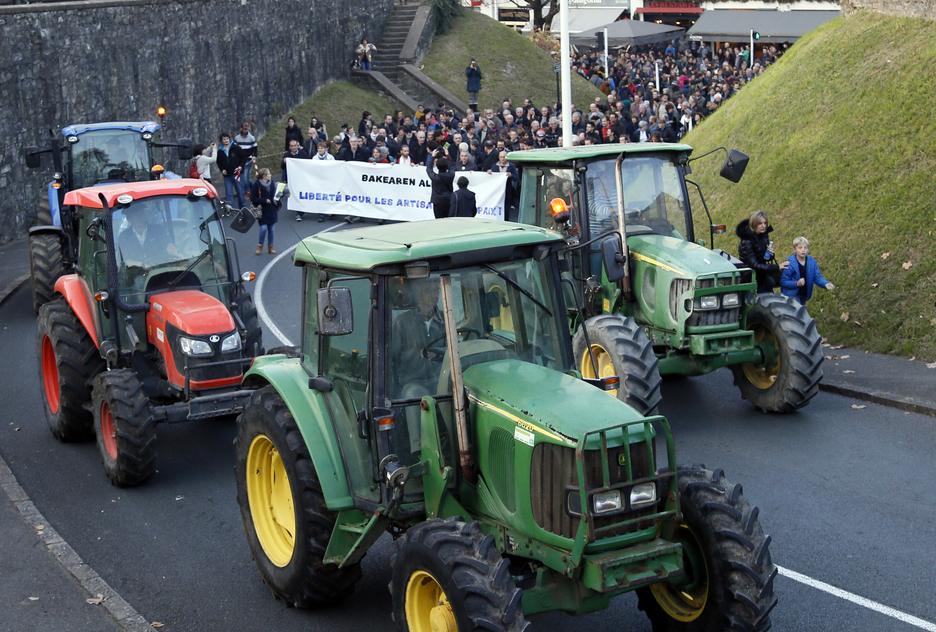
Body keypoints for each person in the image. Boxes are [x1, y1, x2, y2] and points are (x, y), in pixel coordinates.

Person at [736, 210, 789, 294]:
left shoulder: (763, 236)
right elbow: (754, 265)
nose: (763, 226)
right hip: (750, 277)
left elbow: (763, 258)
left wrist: (770, 254)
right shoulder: (747, 241)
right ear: (754, 224)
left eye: (765, 223)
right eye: (760, 223)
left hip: (762, 274)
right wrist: (777, 267)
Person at [780, 237, 835, 305]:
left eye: (805, 248)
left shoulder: (812, 262)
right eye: (800, 248)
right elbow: (783, 282)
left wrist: (825, 284)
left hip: (804, 294)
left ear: (808, 249)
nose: (803, 250)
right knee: (797, 313)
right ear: (794, 249)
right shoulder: (789, 263)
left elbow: (817, 277)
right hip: (791, 296)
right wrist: (796, 283)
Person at [251, 169, 280, 255]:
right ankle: (260, 246)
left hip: (272, 209)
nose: (270, 175)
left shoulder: (272, 183)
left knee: (271, 229)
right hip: (263, 210)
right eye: (269, 174)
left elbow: (275, 195)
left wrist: (279, 196)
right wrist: (264, 200)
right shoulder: (257, 184)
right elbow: (253, 198)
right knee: (263, 228)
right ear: (264, 176)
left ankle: (270, 247)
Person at [281, 140, 310, 220]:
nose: (293, 147)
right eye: (292, 146)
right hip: (292, 178)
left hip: (301, 178)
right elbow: (283, 168)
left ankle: (300, 212)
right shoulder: (287, 154)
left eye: (295, 145)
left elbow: (308, 163)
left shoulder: (303, 154)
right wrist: (284, 162)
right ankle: (299, 211)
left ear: (298, 146)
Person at [217, 133, 245, 209]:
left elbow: (243, 158)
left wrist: (241, 166)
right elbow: (219, 162)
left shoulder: (236, 148)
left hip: (237, 173)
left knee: (240, 191)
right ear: (221, 141)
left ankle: (242, 207)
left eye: (227, 139)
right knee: (229, 193)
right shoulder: (220, 151)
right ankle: (231, 208)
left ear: (229, 139)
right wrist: (222, 170)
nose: (226, 141)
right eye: (224, 139)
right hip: (227, 175)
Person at [426, 149, 455, 219]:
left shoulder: (435, 177)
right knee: (448, 220)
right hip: (448, 200)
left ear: (437, 167)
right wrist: (447, 155)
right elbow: (452, 166)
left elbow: (428, 169)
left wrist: (432, 157)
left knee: (438, 220)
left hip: (438, 201)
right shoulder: (450, 175)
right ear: (446, 166)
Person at [310, 141, 334, 222]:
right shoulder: (314, 158)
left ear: (325, 149)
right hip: (319, 181)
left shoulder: (330, 158)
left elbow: (334, 167)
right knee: (320, 197)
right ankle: (321, 214)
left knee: (328, 196)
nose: (320, 150)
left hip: (328, 180)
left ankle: (330, 211)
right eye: (319, 148)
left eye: (322, 148)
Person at [234, 122, 258, 198]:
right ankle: (253, 186)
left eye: (246, 129)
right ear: (241, 129)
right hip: (240, 159)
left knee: (245, 176)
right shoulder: (237, 138)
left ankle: (246, 191)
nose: (245, 130)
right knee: (242, 176)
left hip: (248, 159)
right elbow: (235, 148)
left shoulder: (251, 138)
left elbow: (255, 148)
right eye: (244, 129)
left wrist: (255, 156)